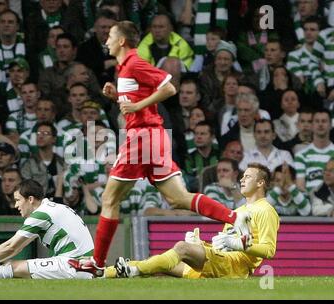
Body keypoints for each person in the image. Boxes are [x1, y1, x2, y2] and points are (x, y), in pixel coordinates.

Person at [74, 21, 252, 276]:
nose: (106, 40)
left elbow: (168, 87)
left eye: (111, 36)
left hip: (141, 138)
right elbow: (137, 103)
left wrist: (135, 107)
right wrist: (117, 97)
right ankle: (236, 219)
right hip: (152, 137)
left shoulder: (134, 63)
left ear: (122, 41)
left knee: (109, 199)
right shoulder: (124, 68)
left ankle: (97, 264)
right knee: (177, 198)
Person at [107, 163, 279, 280]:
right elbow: (226, 243)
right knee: (156, 262)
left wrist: (240, 245)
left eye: (247, 177)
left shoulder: (265, 210)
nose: (241, 180)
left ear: (260, 183)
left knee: (181, 248)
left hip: (234, 266)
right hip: (220, 261)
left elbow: (269, 250)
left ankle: (133, 271)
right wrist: (201, 244)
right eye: (242, 176)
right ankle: (101, 273)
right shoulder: (238, 211)